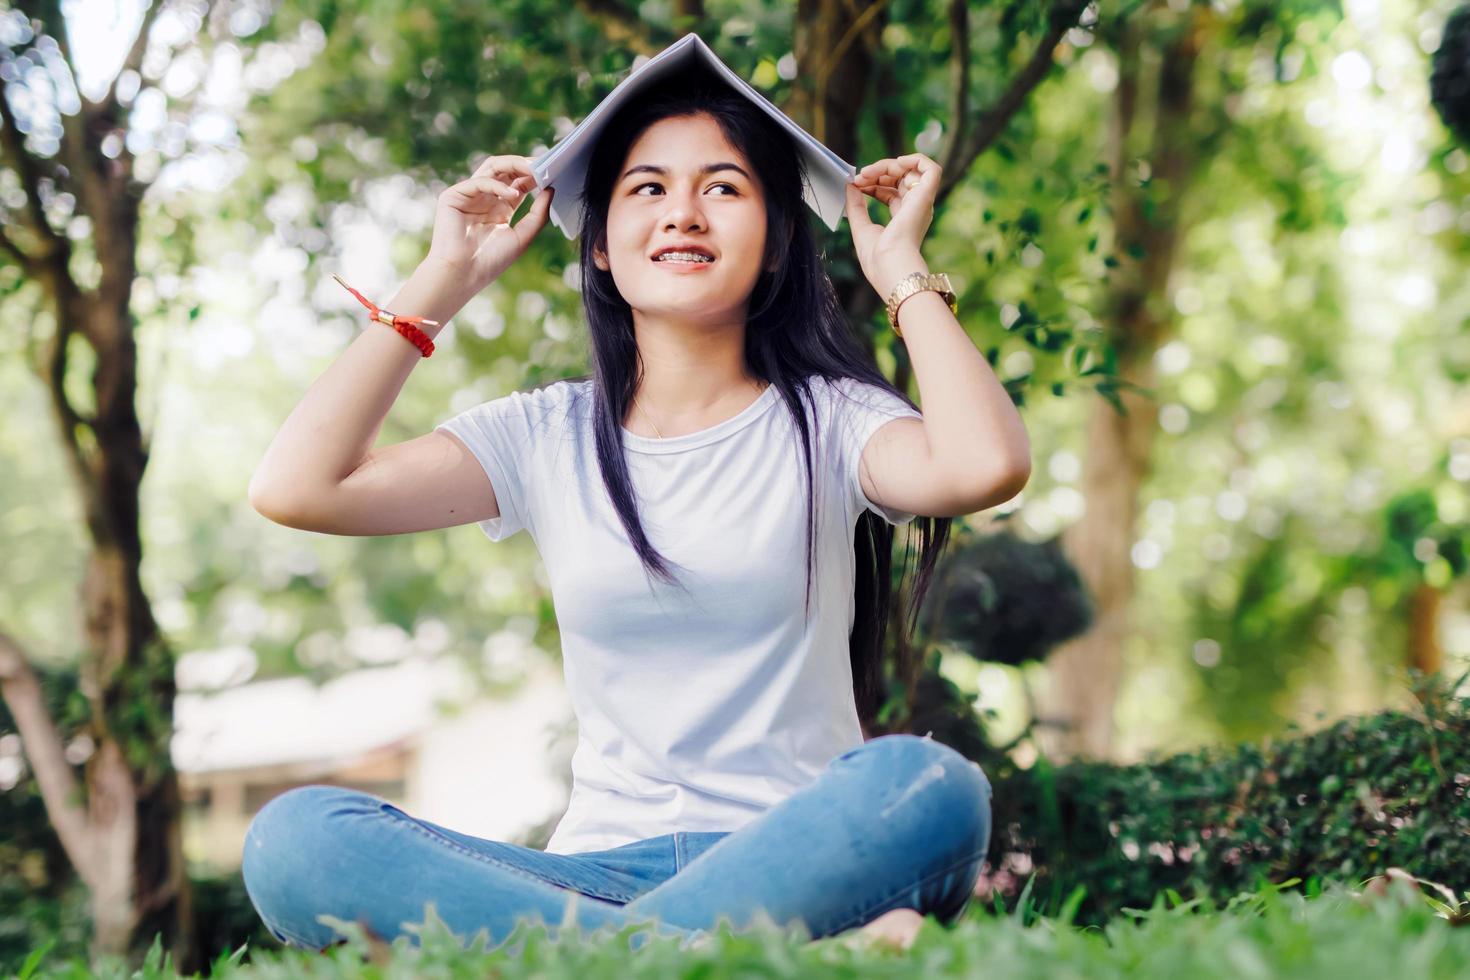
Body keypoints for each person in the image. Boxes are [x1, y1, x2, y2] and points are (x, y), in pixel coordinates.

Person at [241, 36, 1031, 957]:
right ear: (604, 251)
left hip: (792, 853)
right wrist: (442, 280)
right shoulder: (545, 434)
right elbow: (299, 487)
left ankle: (592, 961)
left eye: (724, 188)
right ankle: (711, 956)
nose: (684, 214)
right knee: (295, 841)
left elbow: (984, 465)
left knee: (928, 788)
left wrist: (900, 268)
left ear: (778, 243)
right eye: (647, 189)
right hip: (590, 871)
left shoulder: (834, 421)